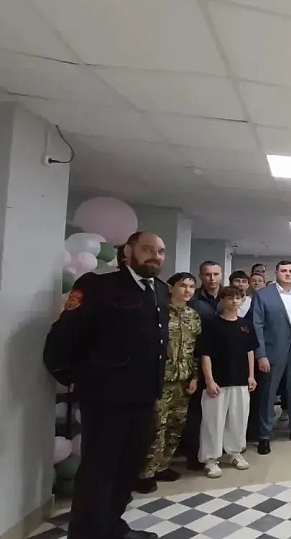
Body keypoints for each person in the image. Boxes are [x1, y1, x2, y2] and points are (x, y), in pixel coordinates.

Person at [43, 231, 169, 539]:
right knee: (98, 473)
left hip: (143, 397)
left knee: (127, 469)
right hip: (105, 400)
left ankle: (113, 527)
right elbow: (63, 337)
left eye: (161, 251)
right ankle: (87, 534)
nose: (155, 256)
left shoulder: (159, 290)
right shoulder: (98, 285)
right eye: (147, 249)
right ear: (128, 252)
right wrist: (76, 378)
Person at [136, 272, 201, 494]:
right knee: (156, 427)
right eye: (183, 286)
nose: (187, 290)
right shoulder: (159, 313)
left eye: (191, 286)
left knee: (175, 426)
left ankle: (163, 466)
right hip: (161, 380)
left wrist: (195, 377)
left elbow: (195, 350)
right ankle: (145, 473)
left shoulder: (193, 316)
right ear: (171, 288)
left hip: (183, 379)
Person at [251, 261, 291, 454]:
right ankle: (264, 435)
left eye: (290, 271)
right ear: (276, 272)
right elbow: (257, 326)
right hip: (272, 351)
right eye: (284, 271)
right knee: (268, 393)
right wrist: (260, 354)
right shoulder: (263, 294)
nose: (288, 274)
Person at [199, 286, 258, 478]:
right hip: (218, 381)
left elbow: (250, 351)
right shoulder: (212, 324)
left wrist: (251, 375)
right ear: (222, 300)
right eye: (230, 297)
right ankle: (210, 458)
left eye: (238, 298)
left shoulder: (246, 325)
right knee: (213, 421)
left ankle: (235, 452)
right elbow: (205, 354)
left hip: (240, 380)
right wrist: (209, 380)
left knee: (238, 419)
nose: (234, 301)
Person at [183, 260, 223, 469]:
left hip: (223, 360)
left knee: (219, 409)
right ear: (201, 276)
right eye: (207, 274)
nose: (212, 278)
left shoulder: (228, 297)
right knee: (196, 411)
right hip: (198, 359)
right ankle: (194, 454)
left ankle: (218, 450)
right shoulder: (193, 300)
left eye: (215, 274)